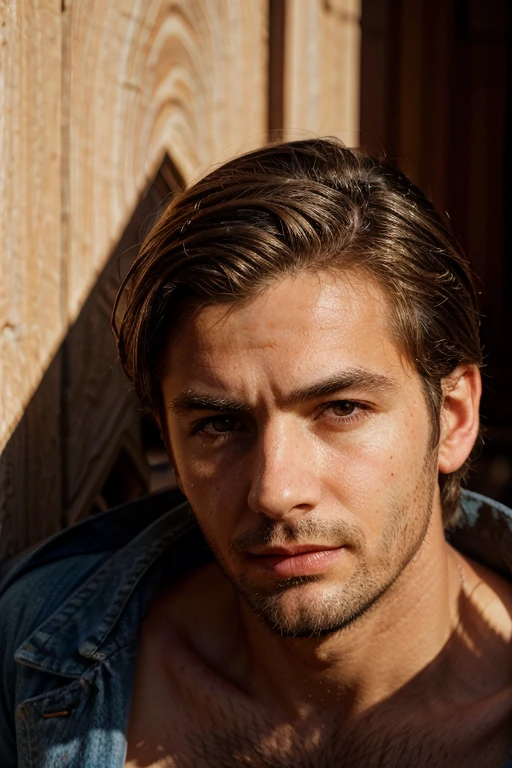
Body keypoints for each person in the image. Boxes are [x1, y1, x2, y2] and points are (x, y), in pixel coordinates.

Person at [1, 138, 511, 768]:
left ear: (454, 418)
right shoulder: (31, 647)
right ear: (168, 437)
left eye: (341, 409)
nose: (274, 489)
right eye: (219, 424)